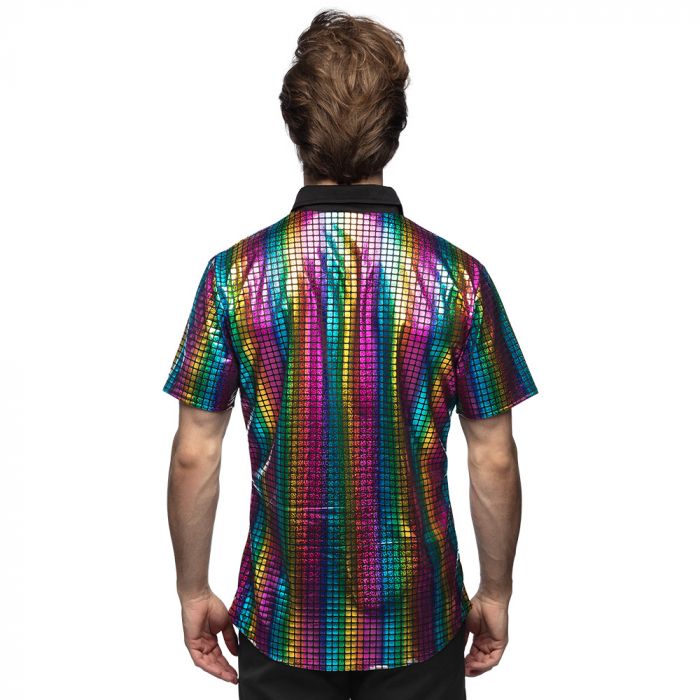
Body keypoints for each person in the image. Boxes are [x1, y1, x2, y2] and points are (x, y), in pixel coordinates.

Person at [162, 9, 538, 699]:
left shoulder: (234, 276)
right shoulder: (457, 278)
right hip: (419, 618)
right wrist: (496, 591)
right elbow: (493, 456)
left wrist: (192, 591)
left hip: (283, 617)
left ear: (294, 126)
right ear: (394, 130)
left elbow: (195, 452)